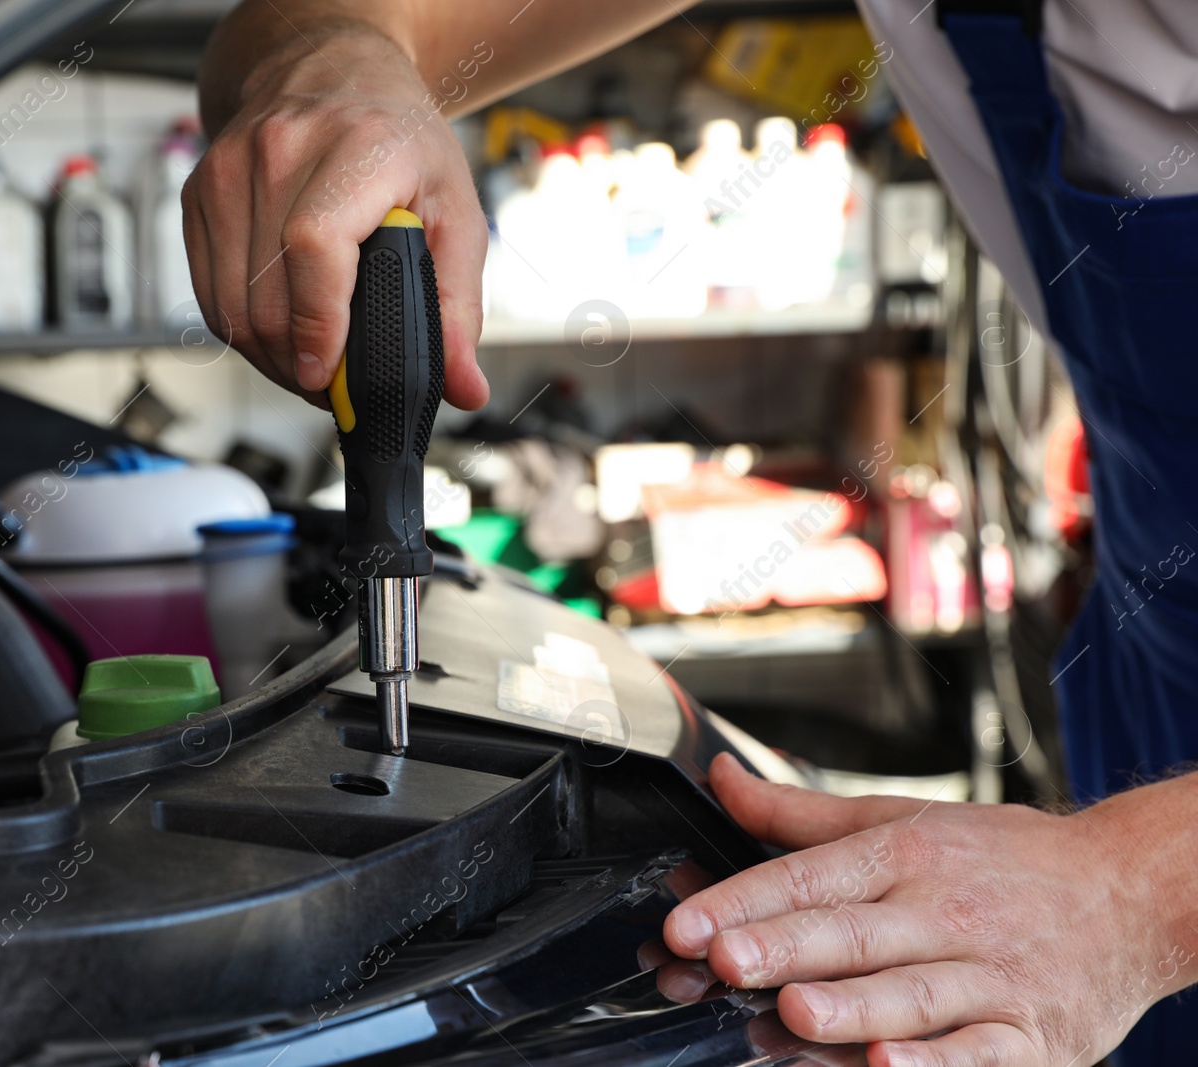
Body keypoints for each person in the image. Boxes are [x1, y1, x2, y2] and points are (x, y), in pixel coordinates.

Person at [182, 1, 1198, 1062]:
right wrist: (339, 62)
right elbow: (317, 31)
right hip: (1145, 678)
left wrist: (1134, 888)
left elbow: (1125, 897)